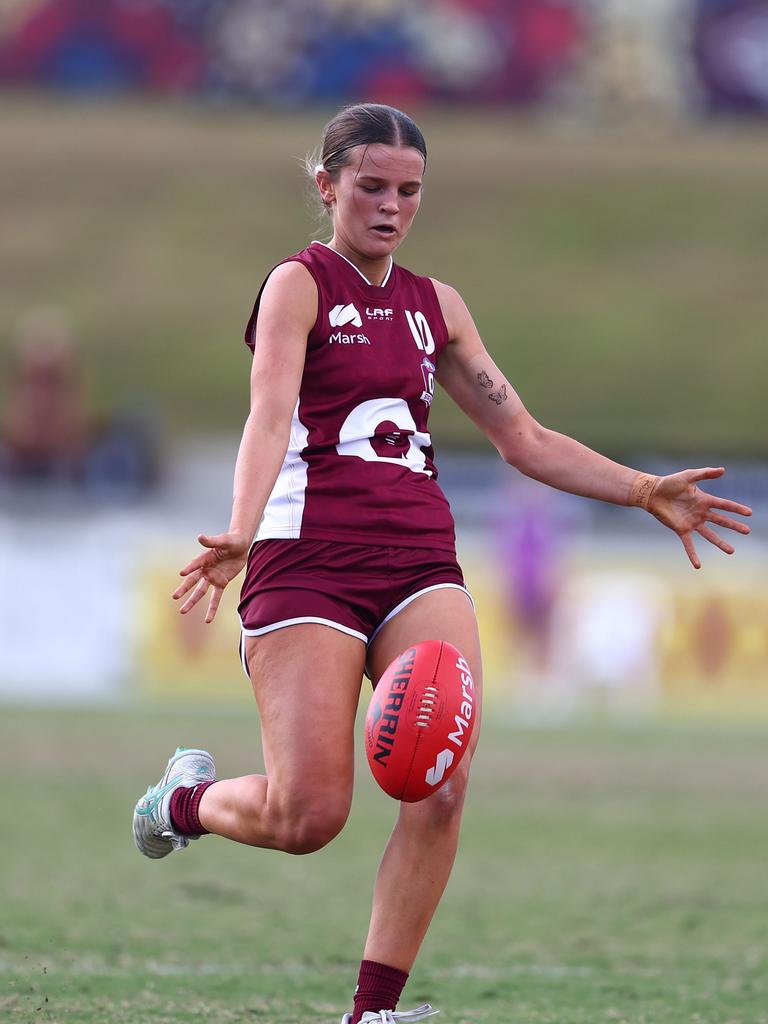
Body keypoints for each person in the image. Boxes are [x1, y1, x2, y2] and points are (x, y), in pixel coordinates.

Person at [132, 103, 751, 1023]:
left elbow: (524, 436)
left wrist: (640, 489)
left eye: (408, 191)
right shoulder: (297, 286)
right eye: (371, 187)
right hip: (307, 561)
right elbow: (268, 415)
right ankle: (183, 802)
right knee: (309, 818)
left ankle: (372, 1010)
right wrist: (241, 526)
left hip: (420, 559)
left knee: (441, 780)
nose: (390, 206)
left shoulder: (437, 307)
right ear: (327, 185)